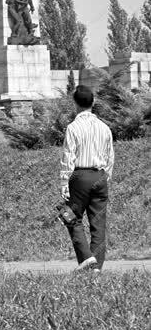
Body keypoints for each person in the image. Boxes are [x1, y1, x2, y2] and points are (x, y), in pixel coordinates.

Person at [60, 85, 114, 271]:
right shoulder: (105, 128)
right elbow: (110, 156)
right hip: (100, 175)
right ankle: (96, 267)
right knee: (98, 223)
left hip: (80, 176)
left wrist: (64, 181)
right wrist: (106, 177)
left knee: (69, 215)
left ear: (74, 103)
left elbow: (69, 157)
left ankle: (86, 257)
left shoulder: (73, 127)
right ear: (94, 102)